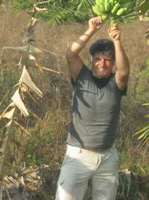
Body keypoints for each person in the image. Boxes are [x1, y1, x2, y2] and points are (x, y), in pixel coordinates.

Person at [55, 16, 130, 200]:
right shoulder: (82, 77)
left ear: (112, 63)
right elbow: (70, 54)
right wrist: (91, 30)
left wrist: (117, 41)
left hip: (107, 158)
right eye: (98, 59)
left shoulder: (117, 83)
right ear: (91, 59)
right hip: (78, 155)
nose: (102, 64)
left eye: (107, 60)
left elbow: (125, 70)